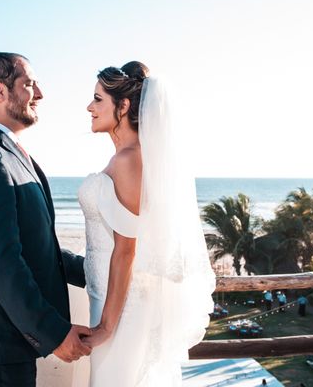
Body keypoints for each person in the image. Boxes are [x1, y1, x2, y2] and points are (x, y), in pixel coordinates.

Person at [0, 52, 90, 387]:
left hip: (8, 345)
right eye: (29, 84)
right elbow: (1, 262)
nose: (40, 93)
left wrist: (101, 272)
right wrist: (54, 334)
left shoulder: (11, 154)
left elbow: (40, 249)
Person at [76, 62, 216, 385]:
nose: (89, 107)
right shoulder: (125, 157)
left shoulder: (130, 160)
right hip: (106, 300)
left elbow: (126, 250)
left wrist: (106, 328)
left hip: (122, 315)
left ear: (123, 106)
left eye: (98, 99)